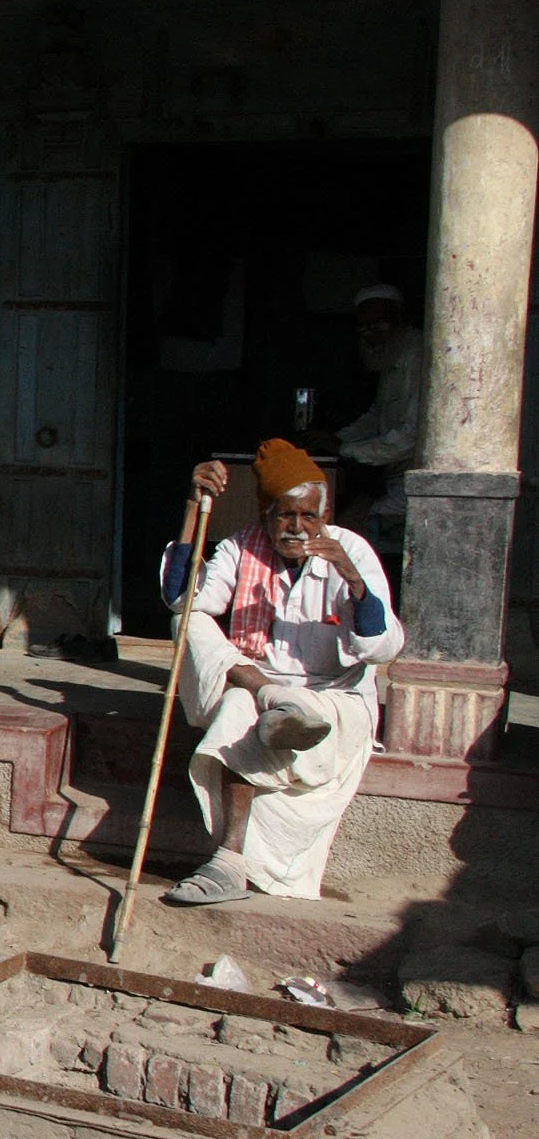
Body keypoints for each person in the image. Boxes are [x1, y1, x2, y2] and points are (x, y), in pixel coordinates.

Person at [157, 439, 402, 905]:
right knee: (192, 630)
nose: (297, 527)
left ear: (323, 514)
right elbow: (181, 599)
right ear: (265, 514)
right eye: (284, 515)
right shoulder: (241, 546)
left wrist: (352, 579)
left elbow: (382, 646)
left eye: (308, 515)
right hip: (258, 683)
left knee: (238, 718)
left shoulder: (350, 549)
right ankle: (269, 696)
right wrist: (194, 509)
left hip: (332, 698)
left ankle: (227, 864)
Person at [321, 284, 423, 556]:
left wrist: (344, 449)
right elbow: (377, 416)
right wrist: (338, 439)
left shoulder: (417, 356)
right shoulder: (391, 360)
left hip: (416, 480)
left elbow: (410, 437)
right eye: (363, 327)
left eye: (378, 323)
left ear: (399, 319)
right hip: (393, 477)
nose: (370, 333)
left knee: (350, 529)